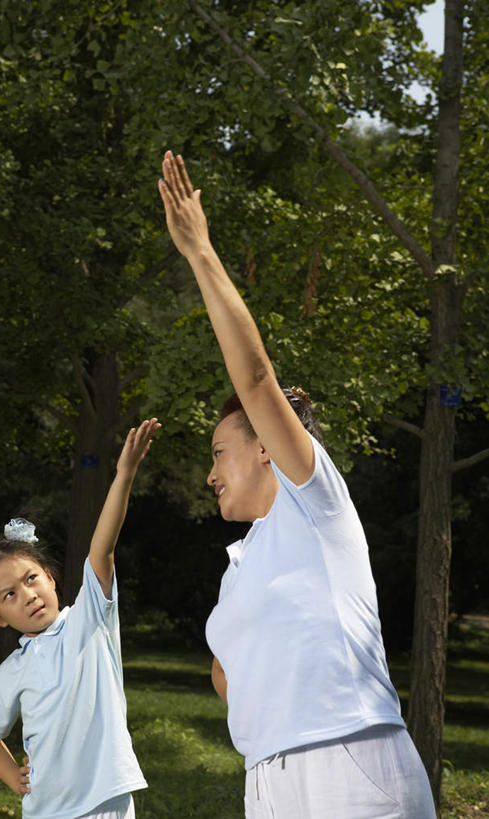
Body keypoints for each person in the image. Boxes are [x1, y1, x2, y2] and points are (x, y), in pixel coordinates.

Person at [159, 152, 436, 818]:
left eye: (219, 451)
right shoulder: (245, 558)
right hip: (269, 776)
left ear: (263, 446)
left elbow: (255, 379)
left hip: (348, 758)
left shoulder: (314, 500)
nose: (209, 472)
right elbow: (226, 669)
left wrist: (199, 253)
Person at [0, 419, 160, 819]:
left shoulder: (90, 621)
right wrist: (14, 778)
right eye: (9, 595)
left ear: (50, 577)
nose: (27, 595)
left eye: (31, 579)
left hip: (107, 802)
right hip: (47, 811)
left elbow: (102, 551)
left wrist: (125, 474)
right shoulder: (8, 674)